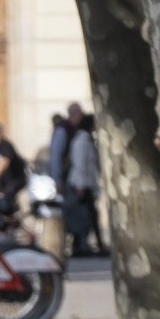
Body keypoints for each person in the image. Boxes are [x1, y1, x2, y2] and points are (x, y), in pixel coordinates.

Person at [60, 105, 104, 255]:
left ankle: (92, 244)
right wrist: (80, 185)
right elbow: (79, 163)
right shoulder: (81, 141)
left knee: (89, 216)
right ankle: (83, 245)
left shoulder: (87, 140)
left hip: (86, 184)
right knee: (83, 217)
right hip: (80, 185)